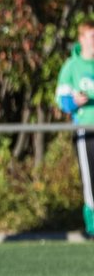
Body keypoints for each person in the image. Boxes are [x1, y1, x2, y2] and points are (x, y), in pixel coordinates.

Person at [56, 18, 94, 240]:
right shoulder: (73, 66)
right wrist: (74, 102)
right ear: (82, 39)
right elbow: (62, 99)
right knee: (91, 179)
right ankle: (92, 224)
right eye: (91, 37)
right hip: (85, 130)